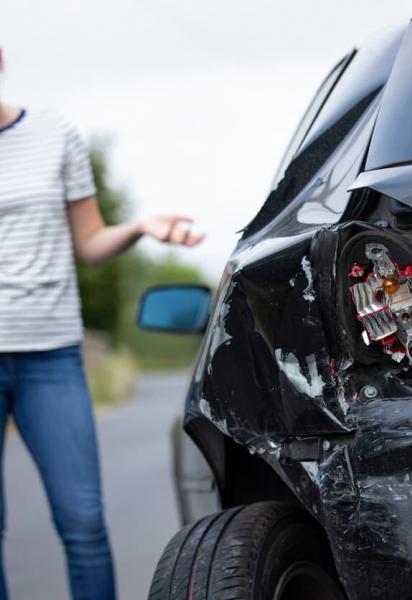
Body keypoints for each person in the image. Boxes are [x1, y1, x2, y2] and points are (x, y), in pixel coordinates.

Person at [0, 48, 203, 599]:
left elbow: (89, 243)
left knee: (84, 522)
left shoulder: (51, 134)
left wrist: (139, 226)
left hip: (52, 357)